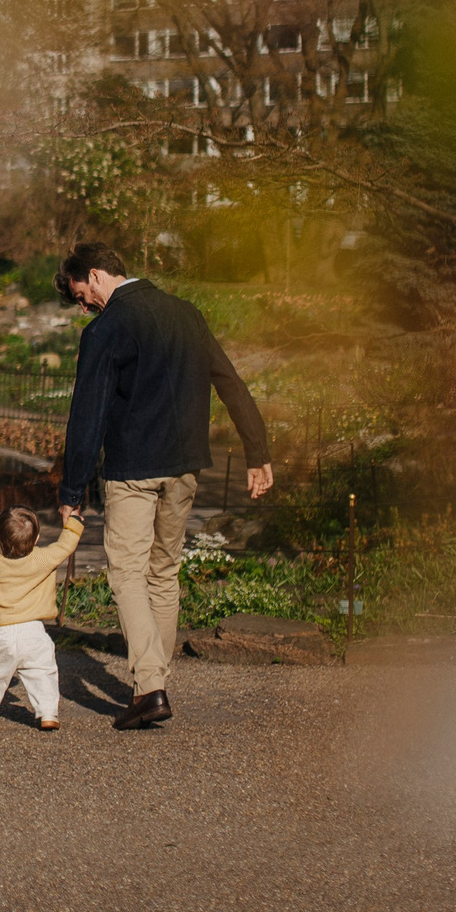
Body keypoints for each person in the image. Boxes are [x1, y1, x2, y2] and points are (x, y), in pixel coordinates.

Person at [55, 241, 273, 732]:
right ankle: (151, 685)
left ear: (95, 274)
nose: (83, 305)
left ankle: (151, 687)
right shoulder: (185, 313)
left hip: (134, 469)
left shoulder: (106, 329)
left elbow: (86, 416)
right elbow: (229, 380)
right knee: (163, 572)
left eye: (80, 295)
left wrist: (72, 493)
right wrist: (257, 452)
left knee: (127, 574)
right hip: (186, 467)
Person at [0, 506, 69, 730]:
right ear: (37, 537)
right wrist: (74, 523)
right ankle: (48, 713)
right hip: (35, 633)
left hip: (3, 633)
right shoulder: (44, 559)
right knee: (43, 674)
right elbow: (66, 545)